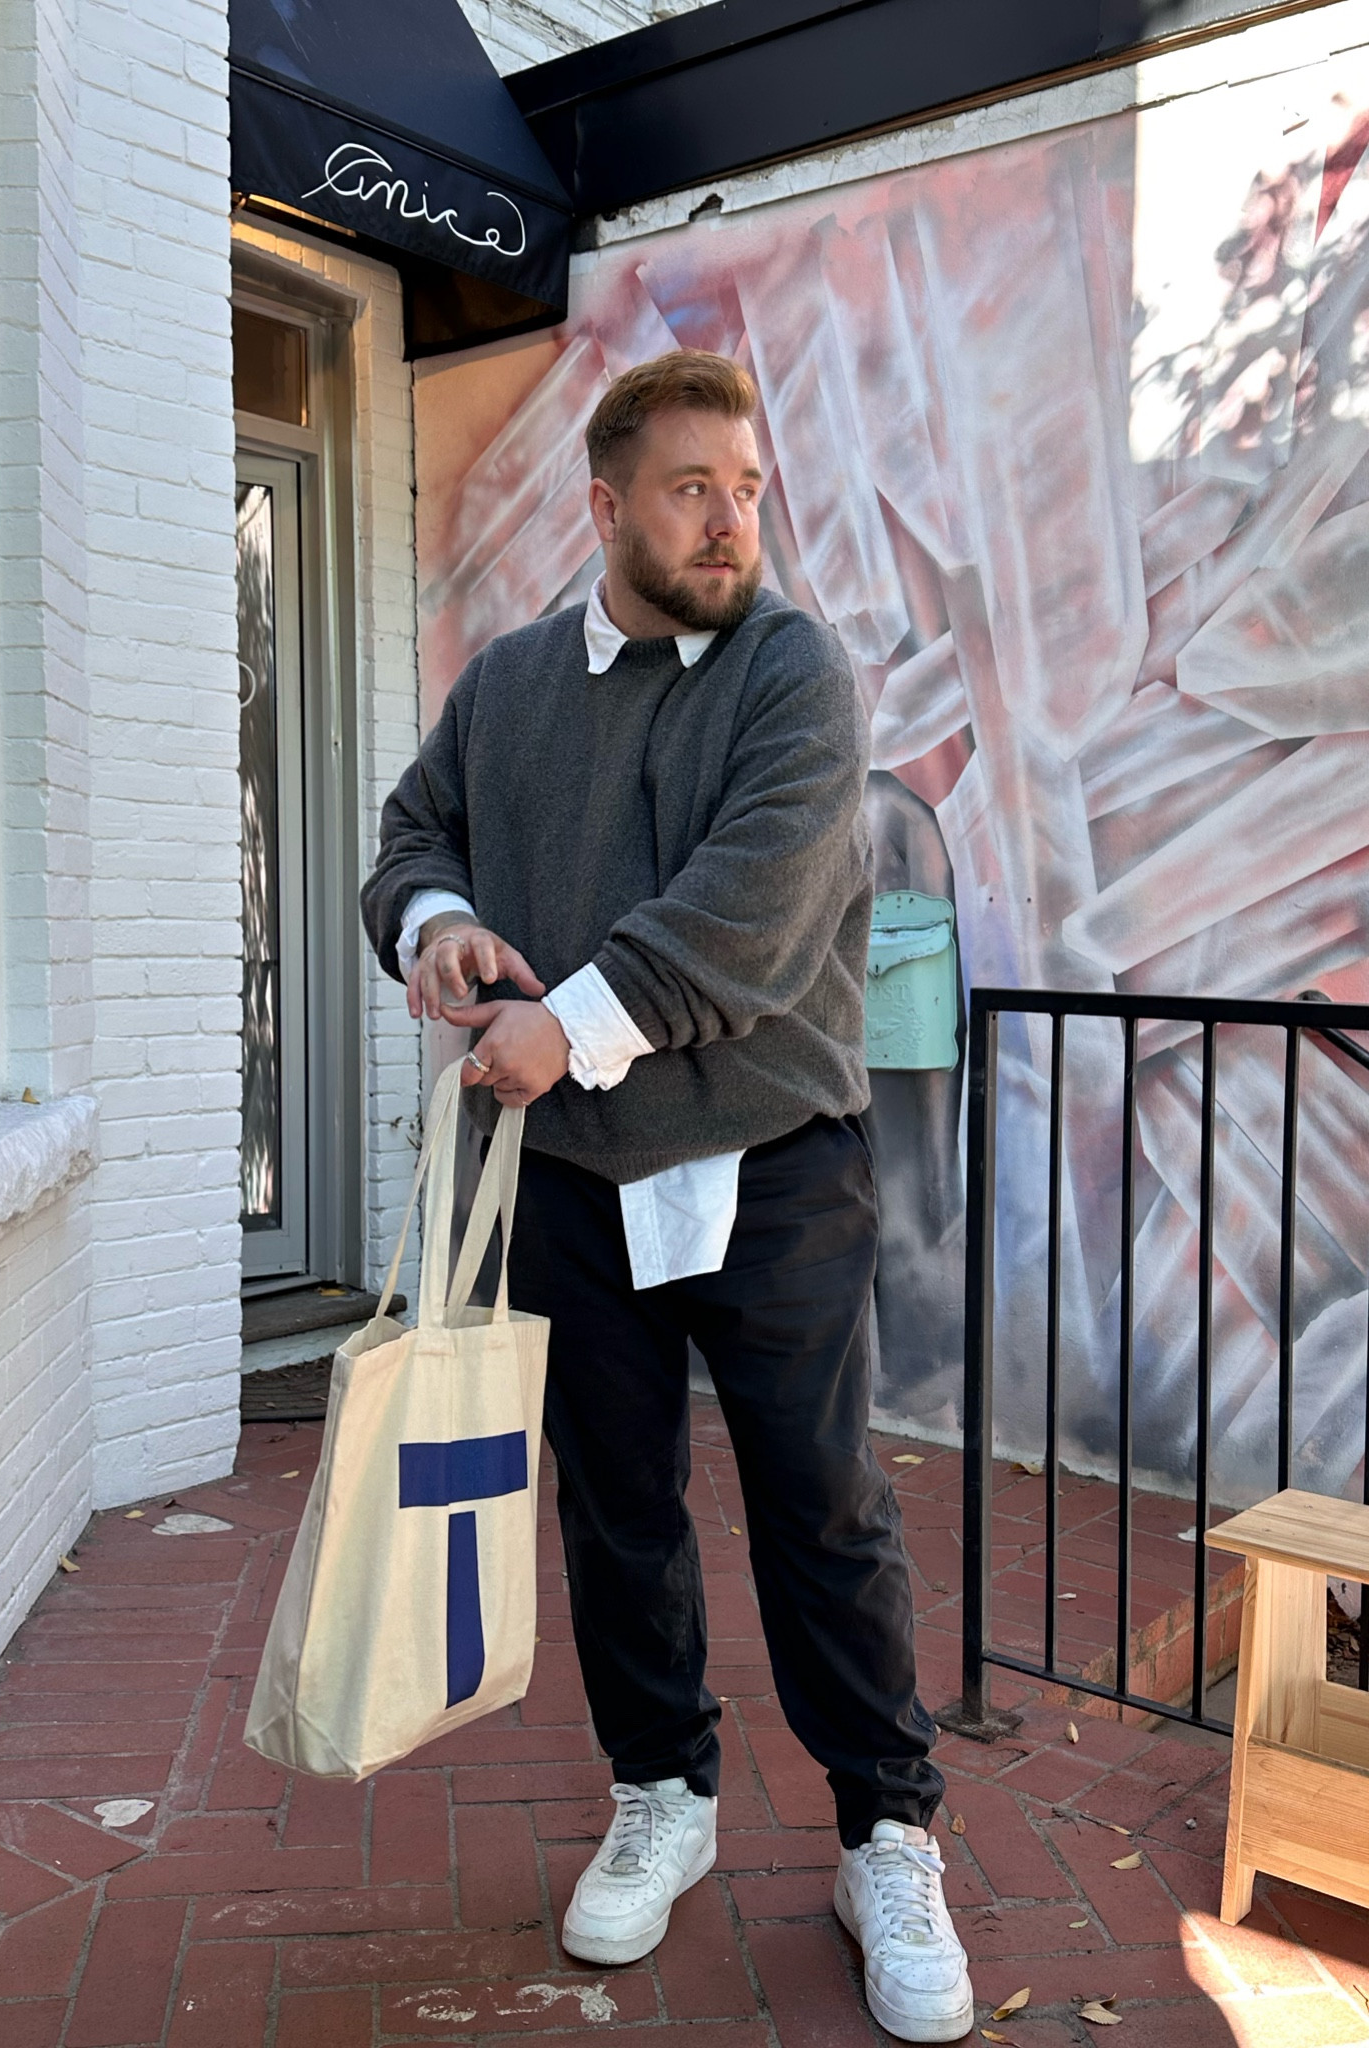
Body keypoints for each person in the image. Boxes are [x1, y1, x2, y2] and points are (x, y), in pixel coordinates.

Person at [361, 350, 974, 2045]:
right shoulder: (506, 687)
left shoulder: (796, 673)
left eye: (750, 487)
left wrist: (561, 1021)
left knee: (822, 1506)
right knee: (615, 1503)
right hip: (569, 1179)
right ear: (608, 504)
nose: (731, 518)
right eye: (694, 487)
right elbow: (411, 837)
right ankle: (663, 1792)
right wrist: (441, 929)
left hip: (772, 1171)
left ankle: (886, 1831)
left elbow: (751, 914)